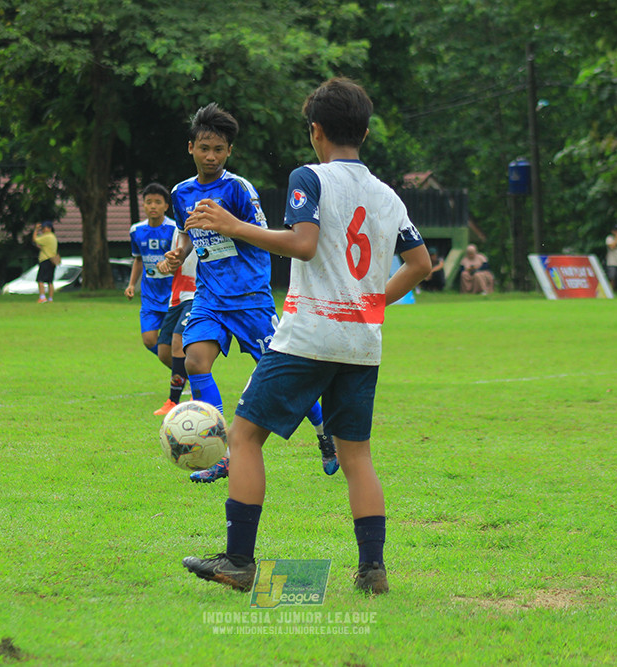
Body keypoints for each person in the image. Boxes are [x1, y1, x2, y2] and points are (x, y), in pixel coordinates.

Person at [180, 77, 431, 595]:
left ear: (316, 131)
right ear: (364, 131)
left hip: (309, 335)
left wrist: (233, 225)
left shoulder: (309, 177)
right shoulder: (387, 195)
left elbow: (303, 244)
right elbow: (420, 264)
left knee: (244, 438)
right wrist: (371, 304)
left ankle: (238, 561)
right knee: (356, 456)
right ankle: (372, 571)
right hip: (361, 343)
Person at [162, 102, 337, 483]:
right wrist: (179, 253)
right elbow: (189, 233)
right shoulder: (181, 192)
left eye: (218, 149)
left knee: (283, 380)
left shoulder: (238, 189)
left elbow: (260, 236)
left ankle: (326, 433)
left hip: (250, 298)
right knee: (195, 363)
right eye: (204, 148)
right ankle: (221, 453)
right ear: (190, 147)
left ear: (229, 151)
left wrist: (229, 225)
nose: (211, 156)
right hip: (209, 297)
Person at [125, 183, 178, 411]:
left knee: (173, 344)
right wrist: (131, 284)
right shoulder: (136, 230)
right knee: (149, 340)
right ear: (144, 205)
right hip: (149, 296)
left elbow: (183, 258)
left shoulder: (175, 229)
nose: (153, 206)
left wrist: (170, 265)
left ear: (166, 206)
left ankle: (182, 376)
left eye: (158, 202)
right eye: (149, 202)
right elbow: (138, 259)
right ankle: (182, 371)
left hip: (173, 296)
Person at [152, 226, 198, 416]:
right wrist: (164, 265)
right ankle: (198, 382)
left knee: (179, 340)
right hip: (177, 297)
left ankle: (173, 401)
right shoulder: (178, 231)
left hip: (197, 294)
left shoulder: (208, 226)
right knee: (164, 351)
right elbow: (174, 265)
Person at [33, 221, 57, 303]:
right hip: (52, 260)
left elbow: (35, 239)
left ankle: (42, 297)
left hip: (45, 259)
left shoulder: (47, 237)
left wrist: (36, 230)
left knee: (40, 280)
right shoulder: (53, 237)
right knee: (50, 281)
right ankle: (50, 298)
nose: (43, 230)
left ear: (49, 228)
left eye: (44, 228)